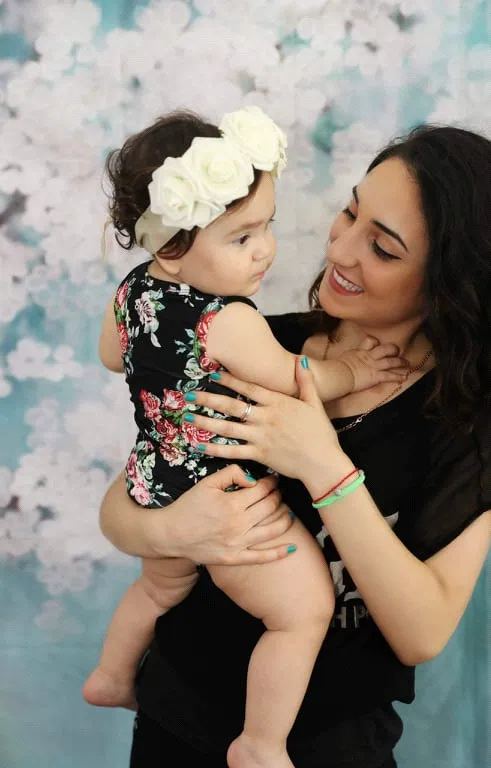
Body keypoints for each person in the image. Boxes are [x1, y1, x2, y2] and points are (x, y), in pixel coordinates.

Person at [97, 124, 491, 768]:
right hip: (173, 718)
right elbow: (128, 501)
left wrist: (321, 463)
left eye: (382, 247)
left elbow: (421, 633)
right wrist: (174, 532)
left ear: (448, 283)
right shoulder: (259, 343)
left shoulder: (467, 427)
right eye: (350, 212)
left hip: (327, 749)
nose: (340, 248)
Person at [83, 106, 406, 768]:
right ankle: (259, 743)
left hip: (154, 478)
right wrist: (352, 370)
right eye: (240, 237)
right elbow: (296, 378)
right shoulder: (226, 320)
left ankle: (112, 676)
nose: (264, 249)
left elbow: (112, 357)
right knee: (302, 611)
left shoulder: (132, 291)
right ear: (170, 246)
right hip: (226, 495)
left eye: (266, 226)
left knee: (157, 589)